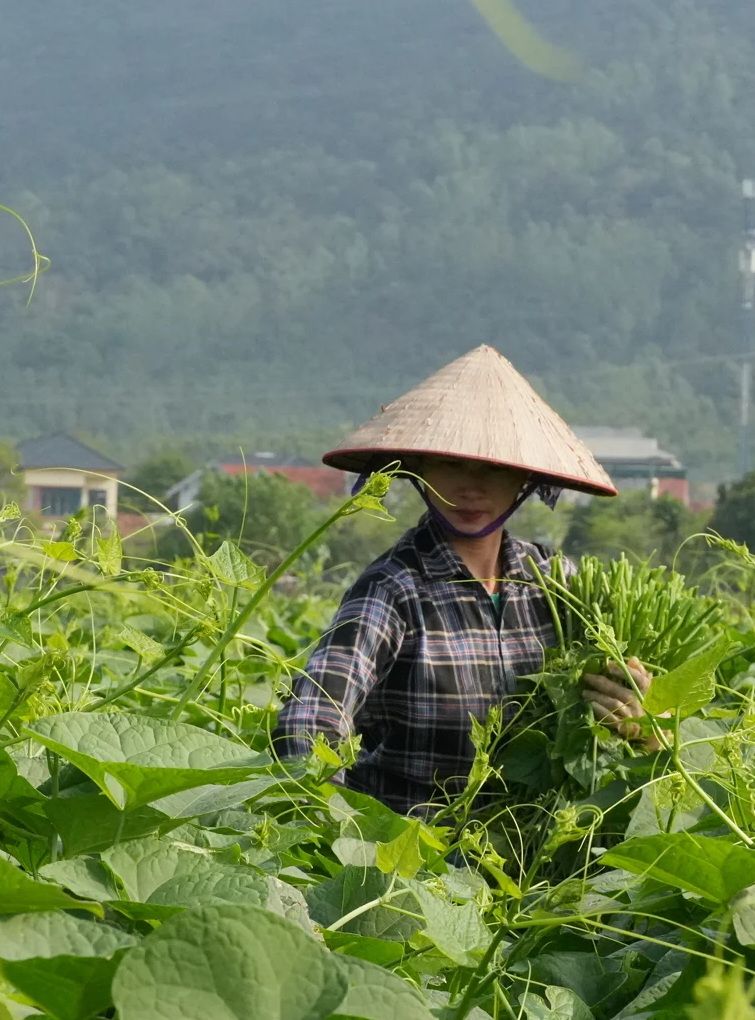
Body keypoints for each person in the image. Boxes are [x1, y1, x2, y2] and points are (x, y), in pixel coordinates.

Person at [273, 345, 655, 813]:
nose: (471, 487)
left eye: (494, 468)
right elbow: (309, 721)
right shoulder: (395, 589)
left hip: (536, 857)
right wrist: (341, 832)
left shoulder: (560, 584)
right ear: (419, 468)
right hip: (413, 858)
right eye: (452, 463)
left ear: (524, 479)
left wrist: (639, 720)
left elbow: (632, 723)